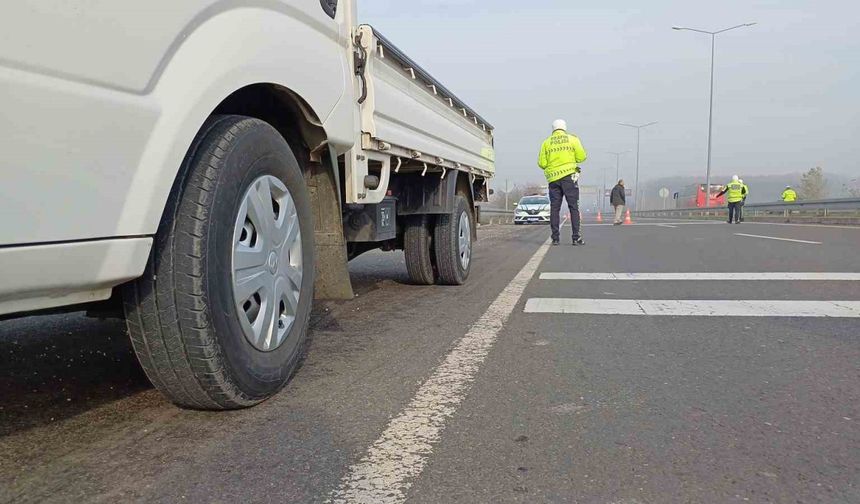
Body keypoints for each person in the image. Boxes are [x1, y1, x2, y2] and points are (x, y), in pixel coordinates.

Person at [537, 119, 588, 245]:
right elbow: (582, 157)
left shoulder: (546, 143)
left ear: (553, 129)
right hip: (569, 178)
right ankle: (576, 238)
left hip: (553, 179)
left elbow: (542, 163)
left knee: (555, 208)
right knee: (573, 207)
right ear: (565, 128)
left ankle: (555, 238)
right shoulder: (573, 139)